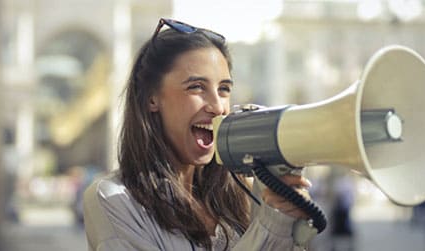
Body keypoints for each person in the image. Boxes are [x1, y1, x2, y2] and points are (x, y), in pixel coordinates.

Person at [82, 18, 314, 251]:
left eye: (223, 89)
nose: (217, 106)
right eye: (196, 87)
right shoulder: (112, 199)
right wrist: (272, 227)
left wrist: (293, 229)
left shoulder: (243, 193)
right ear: (152, 98)